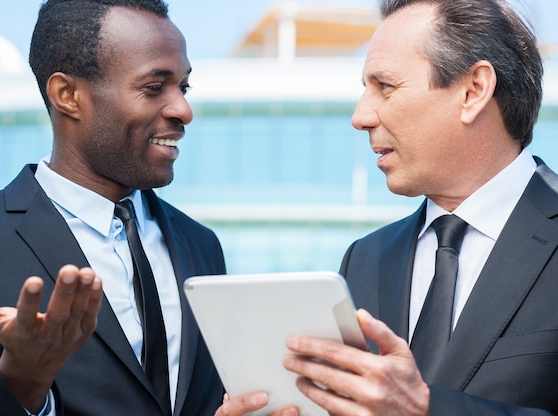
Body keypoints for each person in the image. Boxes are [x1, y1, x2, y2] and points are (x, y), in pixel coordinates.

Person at [217, 0, 558, 415]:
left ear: (473, 91)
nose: (361, 116)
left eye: (385, 86)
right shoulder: (366, 258)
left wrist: (425, 409)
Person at [0, 0, 226, 415]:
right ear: (67, 95)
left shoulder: (202, 246)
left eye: (184, 86)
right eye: (154, 86)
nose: (183, 109)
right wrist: (24, 380)